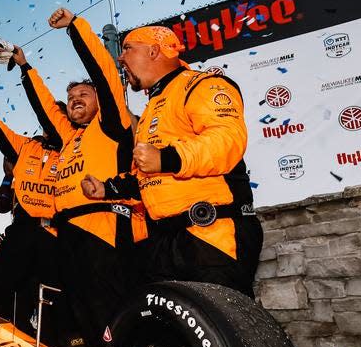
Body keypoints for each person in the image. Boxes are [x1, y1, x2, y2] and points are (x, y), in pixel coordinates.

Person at [81, 25, 261, 297]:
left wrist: (167, 158)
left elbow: (227, 141)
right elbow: (148, 176)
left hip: (211, 236)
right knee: (166, 333)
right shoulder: (154, 105)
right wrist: (106, 189)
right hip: (164, 242)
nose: (121, 58)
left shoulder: (202, 84)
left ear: (154, 51)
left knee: (225, 334)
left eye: (128, 48)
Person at [13, 9, 147, 346]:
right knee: (74, 317)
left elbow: (102, 72)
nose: (74, 101)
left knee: (107, 315)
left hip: (104, 229)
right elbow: (45, 106)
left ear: (102, 101)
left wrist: (75, 27)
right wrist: (26, 67)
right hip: (68, 233)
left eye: (83, 96)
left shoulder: (111, 125)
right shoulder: (71, 138)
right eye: (71, 98)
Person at [0, 73, 61, 330]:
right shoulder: (26, 147)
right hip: (23, 230)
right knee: (0, 298)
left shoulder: (76, 147)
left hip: (56, 235)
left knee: (54, 305)